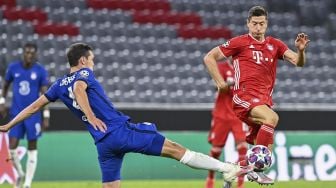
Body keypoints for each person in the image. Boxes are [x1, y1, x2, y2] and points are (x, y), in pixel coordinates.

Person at [0, 43, 254, 188]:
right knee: (176, 150)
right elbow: (80, 90)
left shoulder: (57, 85)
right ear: (82, 60)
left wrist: (8, 124)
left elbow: (34, 106)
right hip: (118, 131)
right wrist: (90, 115)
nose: (93, 63)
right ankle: (228, 169)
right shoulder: (83, 75)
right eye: (92, 59)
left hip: (102, 143)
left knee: (111, 186)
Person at [203, 5, 310, 185]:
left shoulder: (275, 45)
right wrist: (220, 83)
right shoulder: (239, 42)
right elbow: (209, 57)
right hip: (243, 97)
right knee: (272, 118)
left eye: (261, 23)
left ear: (266, 24)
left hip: (263, 101)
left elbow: (298, 63)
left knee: (267, 152)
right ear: (248, 24)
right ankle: (256, 171)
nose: (258, 27)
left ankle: (234, 170)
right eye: (254, 24)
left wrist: (300, 51)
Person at [0, 43, 50, 188]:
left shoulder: (40, 71)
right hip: (16, 113)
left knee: (32, 146)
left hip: (33, 114)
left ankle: (27, 184)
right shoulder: (13, 68)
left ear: (35, 54)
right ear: (23, 53)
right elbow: (5, 85)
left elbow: (45, 94)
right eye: (27, 52)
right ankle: (20, 174)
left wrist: (46, 115)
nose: (29, 55)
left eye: (32, 53)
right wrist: (2, 102)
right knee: (12, 148)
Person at [205, 60, 248, 188]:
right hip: (221, 114)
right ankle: (210, 178)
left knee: (243, 147)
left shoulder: (245, 68)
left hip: (239, 114)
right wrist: (230, 83)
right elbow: (216, 85)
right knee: (216, 150)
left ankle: (240, 183)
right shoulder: (221, 67)